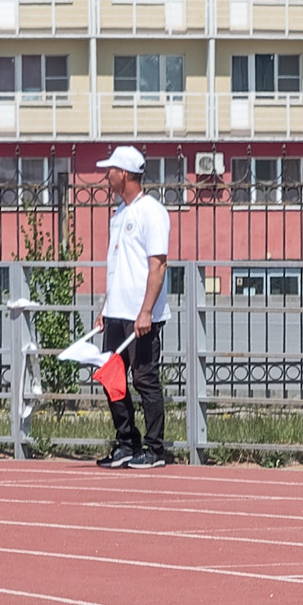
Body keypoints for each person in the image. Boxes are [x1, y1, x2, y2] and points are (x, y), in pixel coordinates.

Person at [94, 145, 171, 470]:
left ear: (123, 174)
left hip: (141, 317)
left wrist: (146, 312)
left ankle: (154, 449)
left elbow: (158, 265)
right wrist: (105, 306)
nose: (106, 175)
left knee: (144, 380)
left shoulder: (151, 211)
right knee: (112, 378)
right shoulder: (119, 214)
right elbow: (117, 266)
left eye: (110, 170)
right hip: (116, 314)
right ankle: (126, 443)